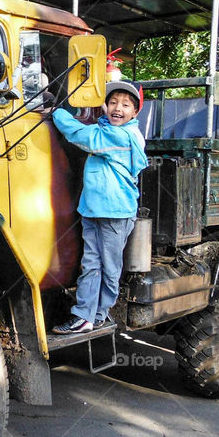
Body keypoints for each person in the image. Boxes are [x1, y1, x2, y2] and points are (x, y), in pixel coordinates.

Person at [51, 80, 148, 334]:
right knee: (91, 265)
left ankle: (100, 313)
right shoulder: (108, 127)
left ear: (135, 113)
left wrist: (56, 111)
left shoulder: (123, 136)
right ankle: (85, 315)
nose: (118, 108)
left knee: (109, 267)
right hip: (93, 210)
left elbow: (84, 136)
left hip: (115, 214)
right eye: (113, 102)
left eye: (126, 105)